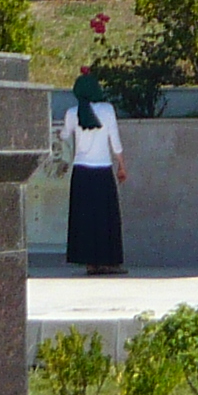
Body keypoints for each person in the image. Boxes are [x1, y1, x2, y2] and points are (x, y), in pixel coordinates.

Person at [62, 69, 127, 274]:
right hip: (102, 170)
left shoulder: (72, 113)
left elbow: (64, 135)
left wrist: (62, 132)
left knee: (85, 218)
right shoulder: (107, 110)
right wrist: (122, 165)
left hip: (81, 171)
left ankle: (89, 262)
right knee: (105, 218)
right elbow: (114, 141)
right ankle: (108, 261)